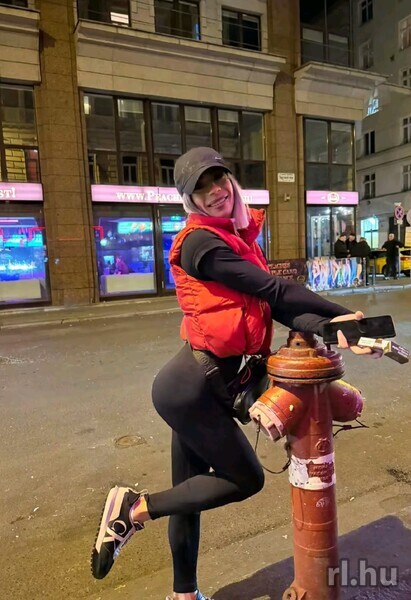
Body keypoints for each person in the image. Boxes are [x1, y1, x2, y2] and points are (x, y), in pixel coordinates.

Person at [90, 147, 380, 600]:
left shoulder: (238, 238)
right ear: (190, 200)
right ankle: (133, 509)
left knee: (190, 494)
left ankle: (184, 595)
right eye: (200, 188)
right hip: (191, 388)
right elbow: (273, 288)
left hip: (209, 383)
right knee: (245, 478)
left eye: (218, 179)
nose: (214, 192)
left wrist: (341, 330)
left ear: (231, 179)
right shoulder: (200, 243)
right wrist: (340, 312)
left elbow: (277, 307)